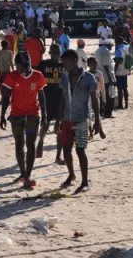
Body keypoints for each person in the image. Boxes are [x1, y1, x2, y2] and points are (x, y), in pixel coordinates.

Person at [0, 52, 47, 189]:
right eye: (16, 66)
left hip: (33, 114)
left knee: (30, 145)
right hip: (16, 115)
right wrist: (2, 115)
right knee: (19, 144)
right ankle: (23, 173)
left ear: (27, 65)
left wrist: (45, 116)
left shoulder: (38, 76)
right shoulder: (12, 76)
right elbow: (5, 97)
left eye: (19, 66)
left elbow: (42, 97)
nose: (17, 69)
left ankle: (28, 175)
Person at [58, 49, 102, 194]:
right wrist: (59, 119)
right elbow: (63, 99)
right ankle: (71, 174)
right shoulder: (64, 77)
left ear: (74, 60)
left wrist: (97, 121)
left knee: (80, 149)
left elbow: (95, 100)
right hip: (67, 118)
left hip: (82, 118)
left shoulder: (88, 78)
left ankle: (84, 182)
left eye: (65, 62)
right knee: (66, 148)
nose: (63, 65)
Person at [36, 43, 65, 164]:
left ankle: (58, 156)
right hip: (46, 99)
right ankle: (41, 142)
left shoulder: (64, 65)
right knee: (45, 125)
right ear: (50, 53)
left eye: (57, 52)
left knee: (60, 128)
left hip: (60, 100)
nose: (55, 54)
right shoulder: (44, 64)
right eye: (53, 52)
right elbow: (35, 76)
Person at [95, 39, 116, 118]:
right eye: (111, 44)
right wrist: (111, 79)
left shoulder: (98, 50)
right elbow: (106, 65)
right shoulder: (106, 51)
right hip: (106, 77)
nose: (112, 46)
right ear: (108, 44)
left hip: (99, 76)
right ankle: (108, 113)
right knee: (109, 95)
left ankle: (101, 111)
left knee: (101, 95)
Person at [87, 57, 106, 134]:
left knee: (97, 114)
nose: (95, 66)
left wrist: (104, 99)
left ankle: (100, 129)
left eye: (96, 64)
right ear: (88, 65)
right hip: (88, 98)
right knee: (88, 115)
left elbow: (102, 87)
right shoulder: (86, 75)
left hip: (97, 96)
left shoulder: (99, 74)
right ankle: (90, 130)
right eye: (92, 64)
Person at [114, 36, 131, 110]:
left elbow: (118, 62)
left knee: (119, 89)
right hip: (126, 69)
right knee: (125, 88)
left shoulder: (119, 50)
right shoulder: (127, 47)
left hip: (119, 71)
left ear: (117, 42)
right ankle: (126, 104)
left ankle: (120, 104)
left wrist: (115, 71)